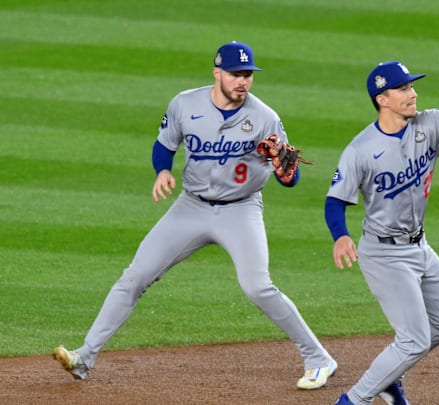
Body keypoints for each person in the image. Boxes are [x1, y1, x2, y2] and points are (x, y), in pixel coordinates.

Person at [52, 41, 337, 390]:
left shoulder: (265, 117)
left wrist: (284, 169)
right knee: (135, 276)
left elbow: (290, 179)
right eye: (235, 74)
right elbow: (164, 144)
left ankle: (318, 358)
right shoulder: (185, 104)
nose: (242, 82)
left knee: (258, 287)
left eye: (248, 75)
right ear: (217, 72)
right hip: (191, 207)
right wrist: (162, 171)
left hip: (240, 210)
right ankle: (84, 357)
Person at [326, 61, 439, 404]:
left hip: (419, 246)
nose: (413, 94)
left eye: (412, 87)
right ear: (383, 99)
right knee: (413, 339)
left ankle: (390, 378)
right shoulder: (361, 149)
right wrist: (340, 235)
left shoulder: (430, 124)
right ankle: (354, 400)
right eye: (405, 89)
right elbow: (334, 202)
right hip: (384, 254)